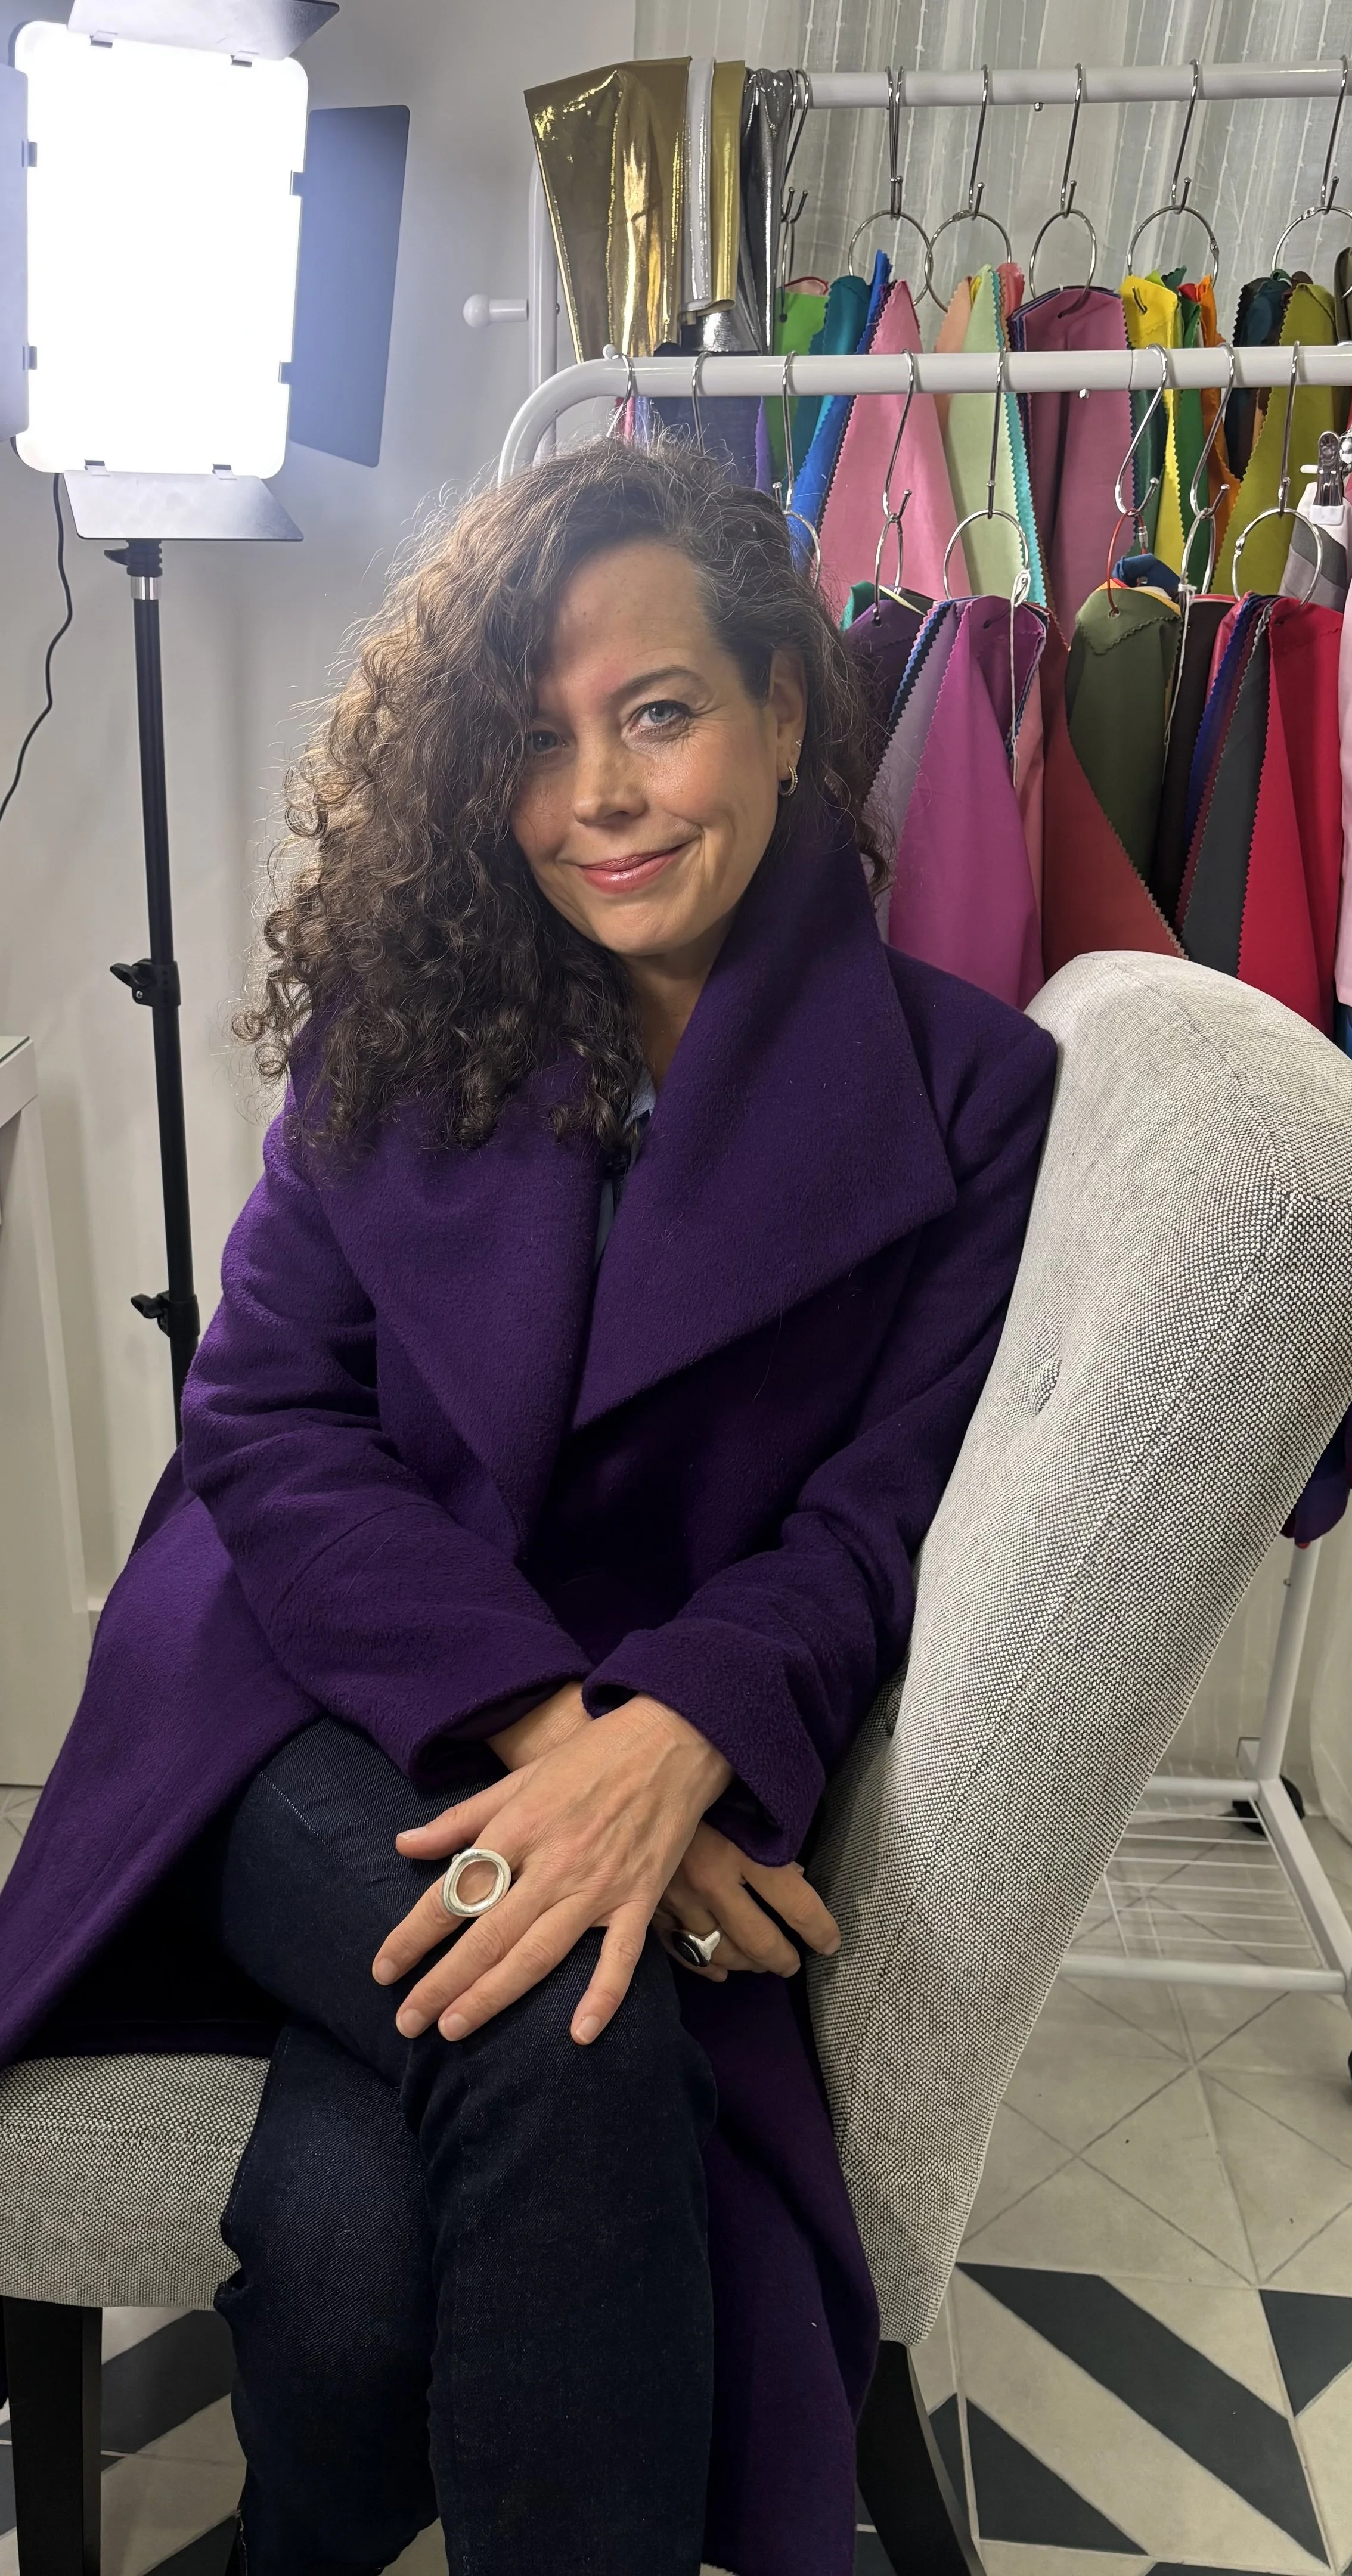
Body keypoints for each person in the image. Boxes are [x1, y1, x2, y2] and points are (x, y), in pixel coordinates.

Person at [0, 439, 1055, 2576]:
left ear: (781, 706)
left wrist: (680, 1733)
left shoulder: (967, 1095)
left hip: (665, 1705)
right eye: (537, 740)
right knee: (586, 2002)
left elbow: (877, 1510)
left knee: (350, 2223)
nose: (599, 795)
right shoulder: (396, 1036)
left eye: (657, 712)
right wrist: (571, 1755)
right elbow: (270, 1427)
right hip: (296, 1698)